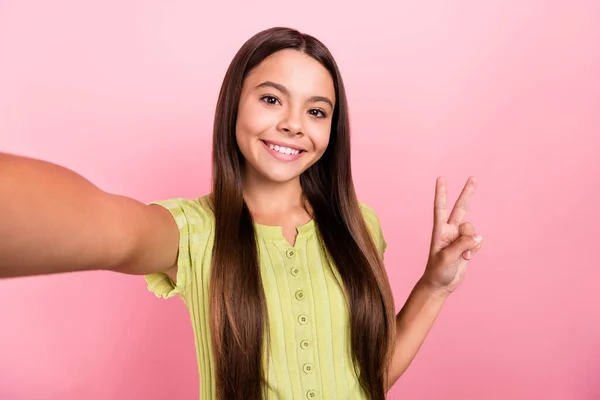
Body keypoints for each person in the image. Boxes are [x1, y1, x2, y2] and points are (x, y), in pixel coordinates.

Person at [0, 26, 483, 400]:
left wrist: (434, 287)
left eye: (317, 111)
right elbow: (103, 223)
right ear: (234, 104)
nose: (293, 124)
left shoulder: (359, 226)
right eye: (271, 99)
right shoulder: (192, 232)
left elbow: (366, 377)